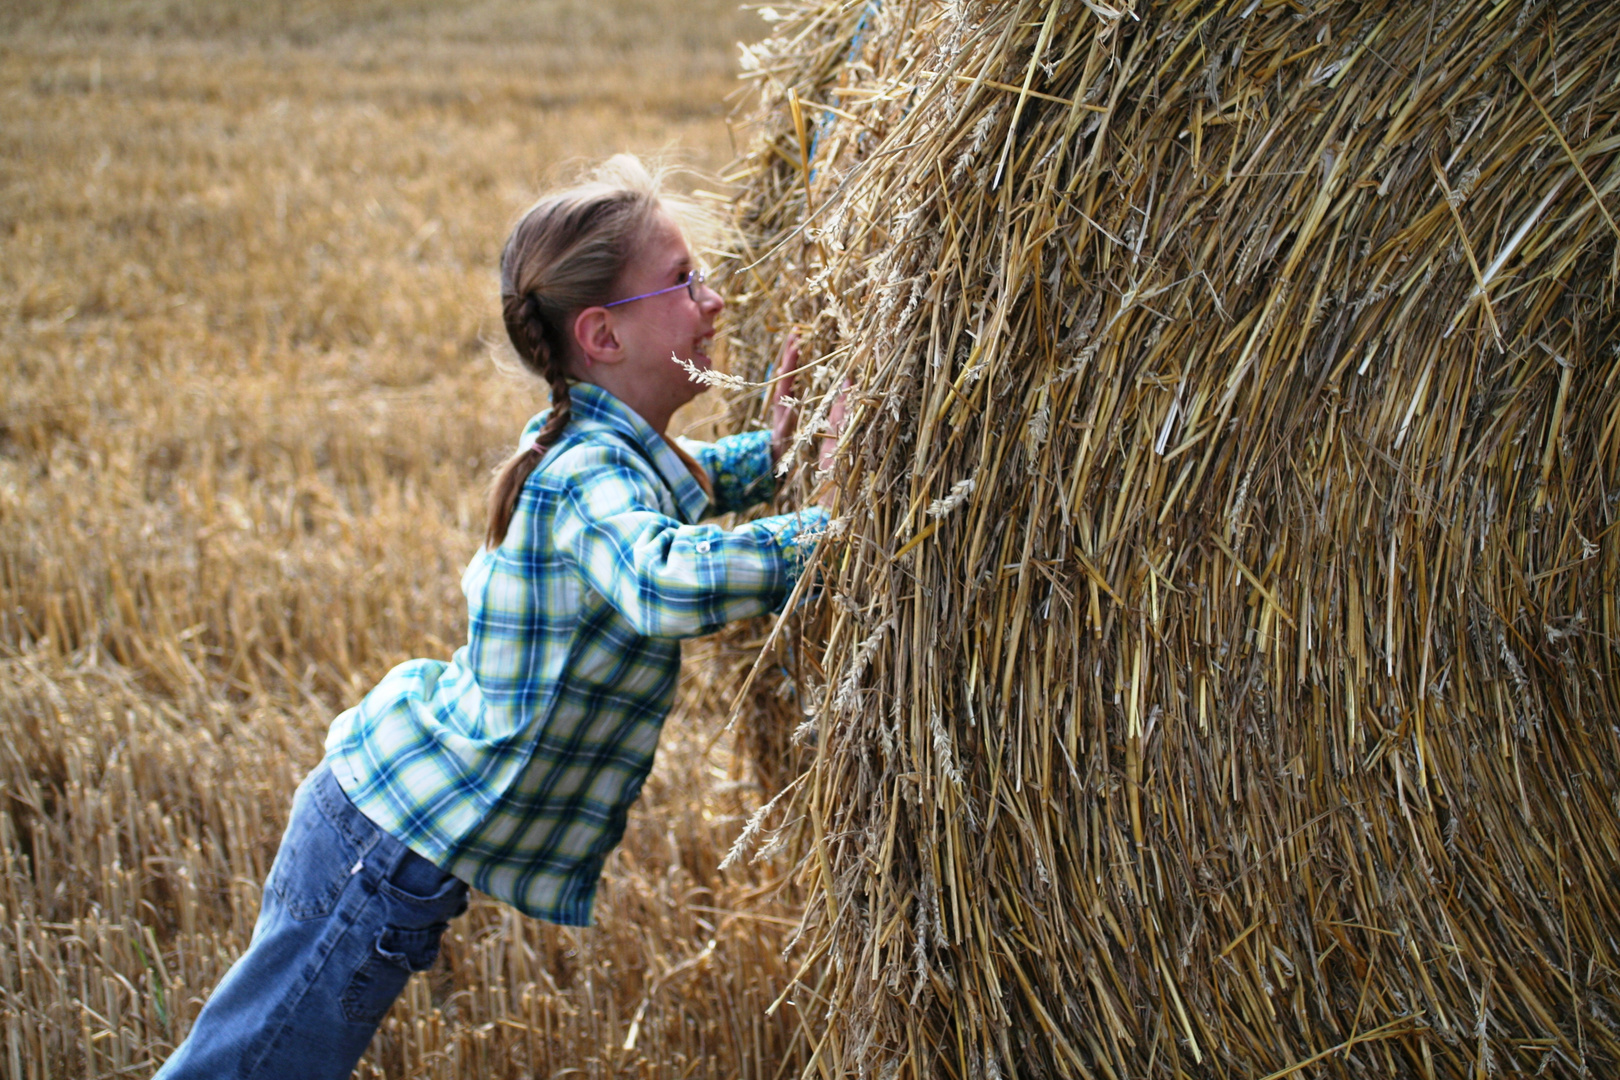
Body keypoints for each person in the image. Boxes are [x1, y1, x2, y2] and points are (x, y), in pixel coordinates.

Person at [153, 154, 831, 1079]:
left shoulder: (590, 444)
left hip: (386, 842)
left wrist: (779, 458)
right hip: (378, 854)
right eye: (683, 281)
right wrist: (837, 531)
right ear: (602, 333)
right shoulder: (582, 471)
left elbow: (679, 495)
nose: (712, 300)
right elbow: (666, 580)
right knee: (247, 1069)